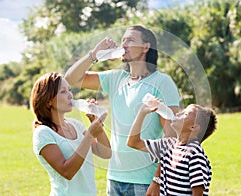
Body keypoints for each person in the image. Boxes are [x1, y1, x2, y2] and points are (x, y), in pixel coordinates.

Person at [65, 25, 180, 195]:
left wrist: (157, 179)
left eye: (130, 40)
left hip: (145, 181)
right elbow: (71, 79)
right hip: (115, 178)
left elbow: (172, 138)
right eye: (123, 40)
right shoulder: (115, 78)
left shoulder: (162, 82)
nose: (124, 44)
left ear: (146, 47)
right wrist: (94, 54)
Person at [30, 72, 111, 196]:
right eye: (63, 92)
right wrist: (90, 135)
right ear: (48, 101)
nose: (70, 96)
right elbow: (67, 171)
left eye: (69, 90)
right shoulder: (43, 133)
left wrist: (96, 124)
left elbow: (105, 153)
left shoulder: (76, 125)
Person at [127, 98, 217, 196]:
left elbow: (198, 192)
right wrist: (142, 113)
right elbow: (133, 142)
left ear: (193, 127)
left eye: (185, 114)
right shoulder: (168, 145)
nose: (177, 114)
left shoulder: (194, 154)